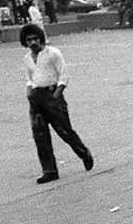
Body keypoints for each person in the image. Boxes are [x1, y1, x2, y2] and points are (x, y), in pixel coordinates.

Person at [20, 23, 93, 184]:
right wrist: (29, 91)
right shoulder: (27, 58)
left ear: (41, 38)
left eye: (35, 39)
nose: (33, 42)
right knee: (40, 135)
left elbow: (64, 74)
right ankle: (49, 170)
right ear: (25, 42)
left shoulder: (52, 53)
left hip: (52, 94)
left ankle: (83, 152)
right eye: (29, 40)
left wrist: (56, 95)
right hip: (36, 97)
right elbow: (30, 78)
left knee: (64, 130)